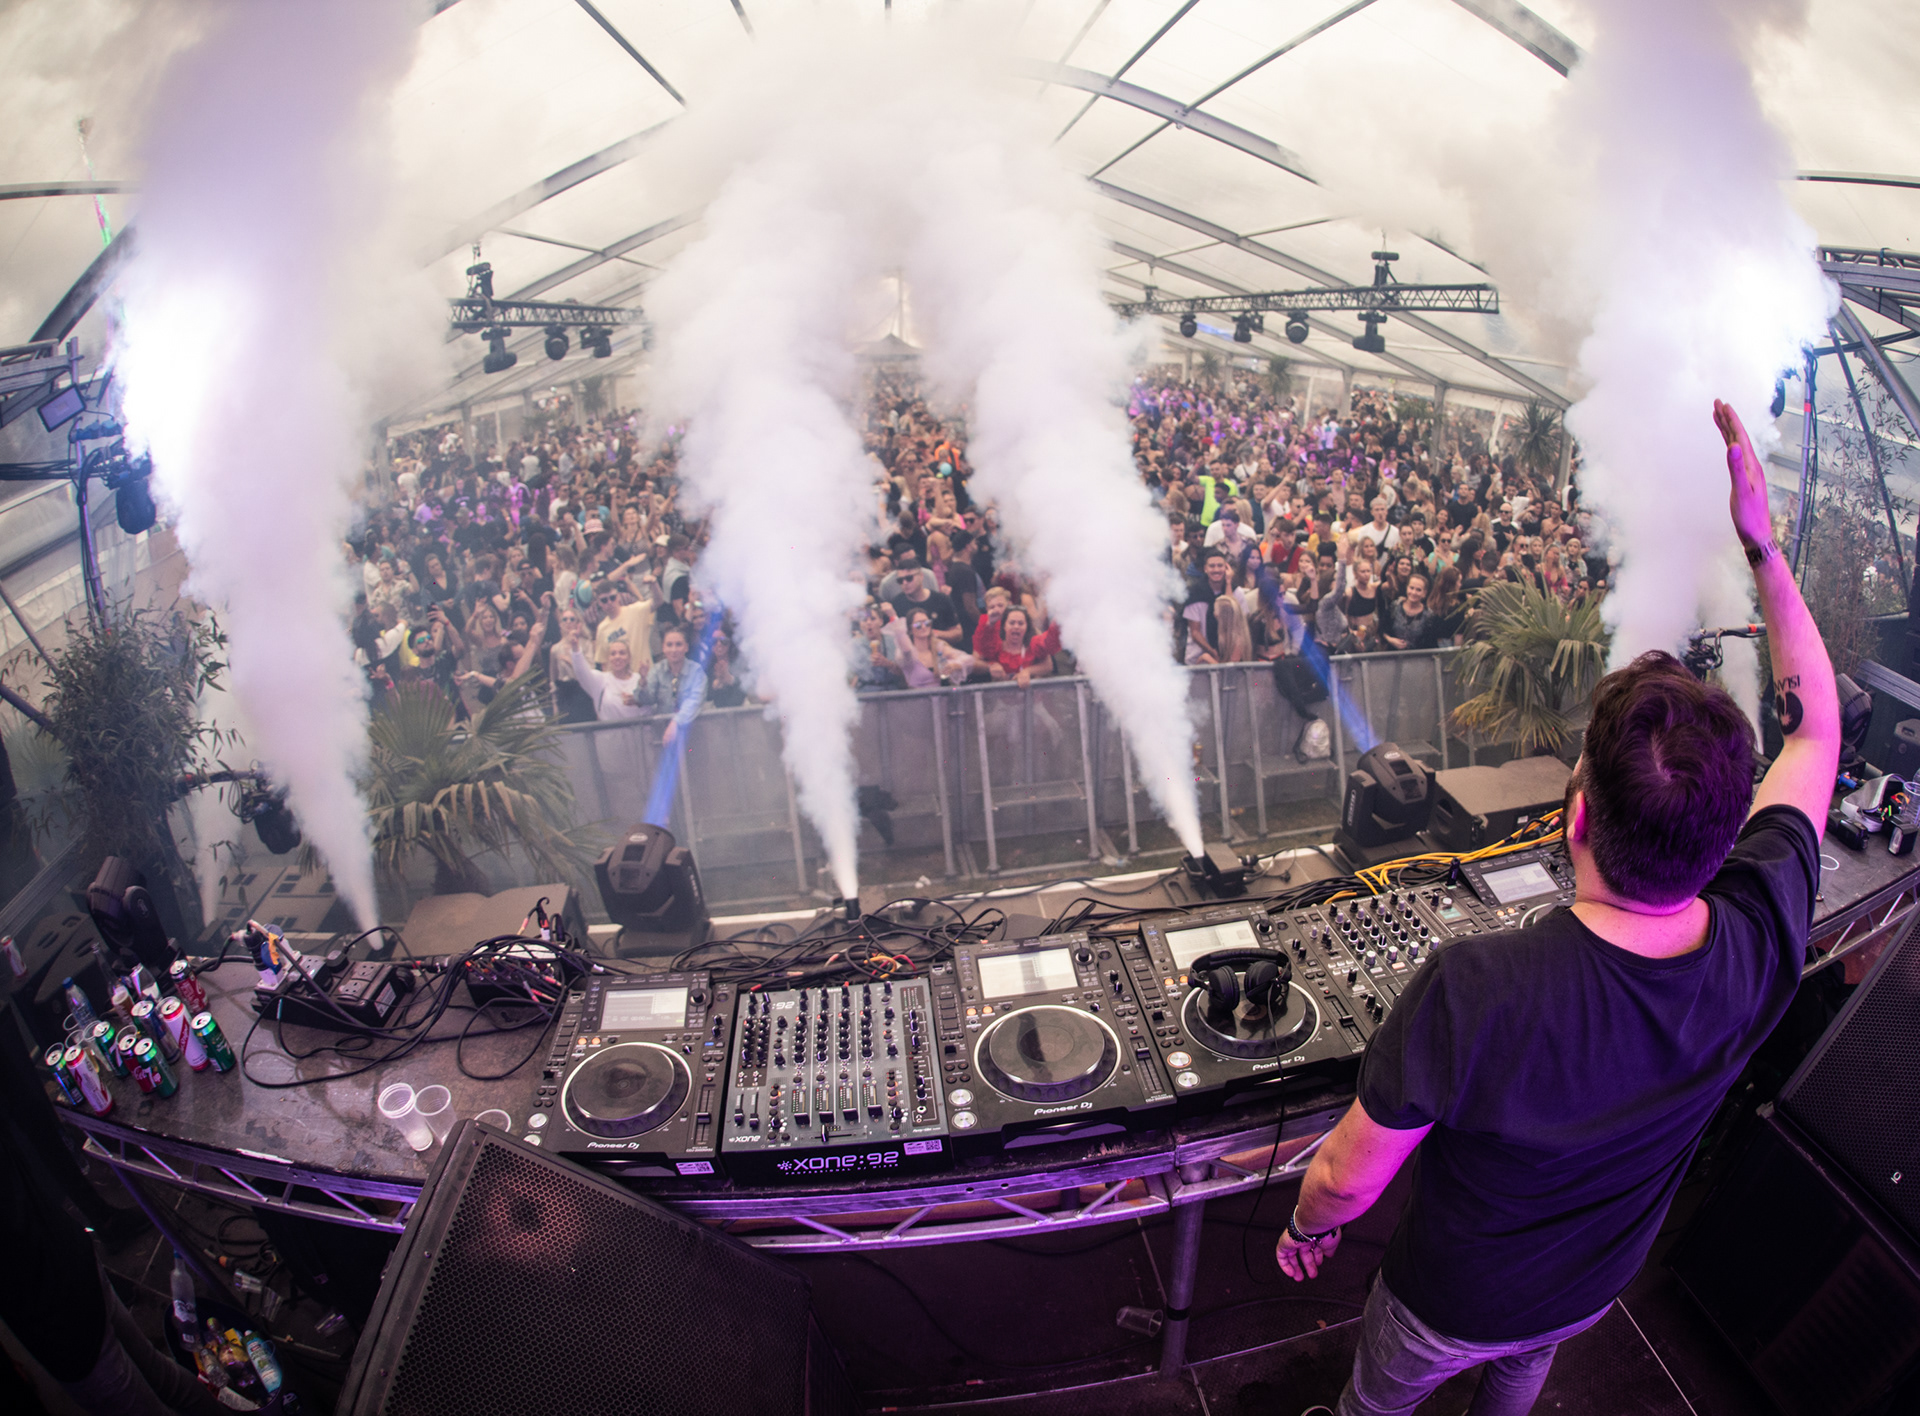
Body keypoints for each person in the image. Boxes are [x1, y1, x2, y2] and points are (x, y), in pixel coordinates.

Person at [1275, 399, 1839, 1416]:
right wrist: (1764, 546)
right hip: (1589, 1287)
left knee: (1377, 1404)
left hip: (1447, 1299)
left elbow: (1347, 1181)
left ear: (1574, 816)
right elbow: (1816, 736)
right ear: (1728, 833)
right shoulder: (1762, 939)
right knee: (1522, 1371)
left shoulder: (1476, 989)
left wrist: (1308, 1228)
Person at [646, 627, 707, 745]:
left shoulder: (696, 671)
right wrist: (642, 683)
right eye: (669, 645)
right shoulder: (656, 671)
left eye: (678, 644)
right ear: (663, 648)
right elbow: (648, 699)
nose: (674, 649)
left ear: (686, 647)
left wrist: (676, 722)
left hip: (693, 734)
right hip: (663, 735)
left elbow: (695, 700)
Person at [570, 633, 646, 721]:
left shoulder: (638, 679)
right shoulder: (600, 680)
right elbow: (581, 672)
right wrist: (575, 649)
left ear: (629, 658)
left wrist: (637, 700)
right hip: (608, 730)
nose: (617, 657)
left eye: (622, 653)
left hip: (636, 729)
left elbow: (649, 709)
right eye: (613, 654)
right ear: (608, 658)